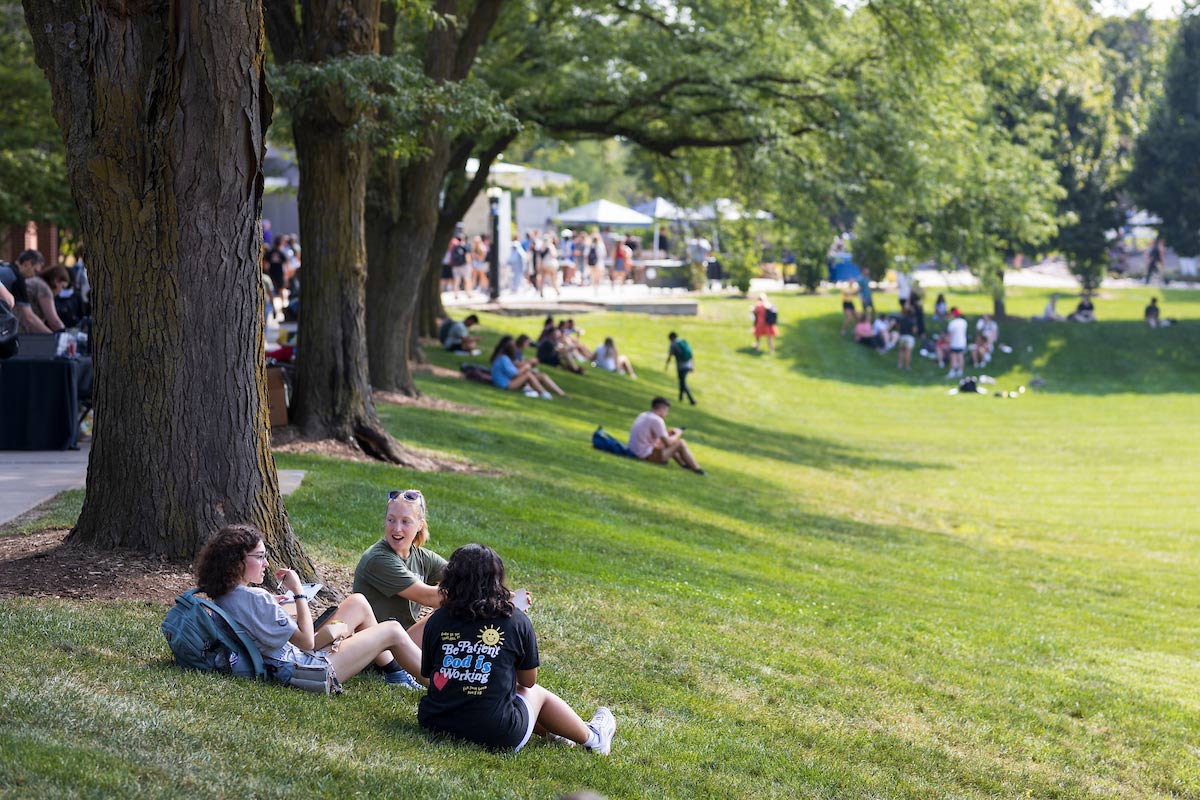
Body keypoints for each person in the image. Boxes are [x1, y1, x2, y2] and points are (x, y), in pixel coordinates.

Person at [418, 543, 616, 754]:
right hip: (498, 734)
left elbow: (430, 674)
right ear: (497, 579)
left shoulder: (436, 620)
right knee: (536, 693)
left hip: (435, 723)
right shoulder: (515, 620)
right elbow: (528, 681)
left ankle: (558, 732)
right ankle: (594, 738)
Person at [197, 524, 425, 692]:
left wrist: (275, 608)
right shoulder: (256, 598)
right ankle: (442, 682)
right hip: (308, 670)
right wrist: (298, 593)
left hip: (290, 659)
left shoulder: (226, 595)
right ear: (236, 562)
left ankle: (395, 673)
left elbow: (258, 624)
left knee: (358, 602)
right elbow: (308, 642)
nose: (266, 563)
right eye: (259, 557)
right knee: (393, 629)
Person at [353, 489, 447, 645]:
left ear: (419, 525)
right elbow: (429, 597)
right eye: (391, 520)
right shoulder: (378, 559)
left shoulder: (422, 557)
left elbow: (459, 574)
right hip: (378, 649)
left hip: (403, 642)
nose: (396, 528)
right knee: (453, 608)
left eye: (405, 521)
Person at [627, 397, 704, 475]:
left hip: (634, 452)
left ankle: (684, 465)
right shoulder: (657, 420)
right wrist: (678, 433)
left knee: (672, 441)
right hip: (644, 456)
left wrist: (668, 434)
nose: (667, 414)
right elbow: (668, 443)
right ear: (662, 409)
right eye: (667, 411)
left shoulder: (644, 415)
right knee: (680, 443)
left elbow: (654, 439)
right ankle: (697, 469)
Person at [490, 336, 563, 398]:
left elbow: (513, 371)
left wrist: (526, 367)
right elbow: (514, 374)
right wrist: (526, 367)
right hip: (504, 384)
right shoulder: (504, 359)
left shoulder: (505, 358)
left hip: (508, 381)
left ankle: (558, 393)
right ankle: (544, 394)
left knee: (539, 375)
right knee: (528, 375)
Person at [665, 332, 695, 405]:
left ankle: (691, 399)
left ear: (671, 337)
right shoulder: (683, 341)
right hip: (688, 365)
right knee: (682, 382)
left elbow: (670, 355)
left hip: (681, 366)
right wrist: (692, 366)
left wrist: (667, 364)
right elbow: (690, 354)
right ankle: (681, 398)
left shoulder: (673, 344)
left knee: (683, 382)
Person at [946, 307, 968, 377]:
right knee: (961, 357)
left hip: (954, 342)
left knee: (953, 357)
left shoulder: (952, 323)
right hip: (962, 342)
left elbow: (950, 334)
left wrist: (948, 341)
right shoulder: (964, 322)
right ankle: (960, 371)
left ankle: (952, 371)